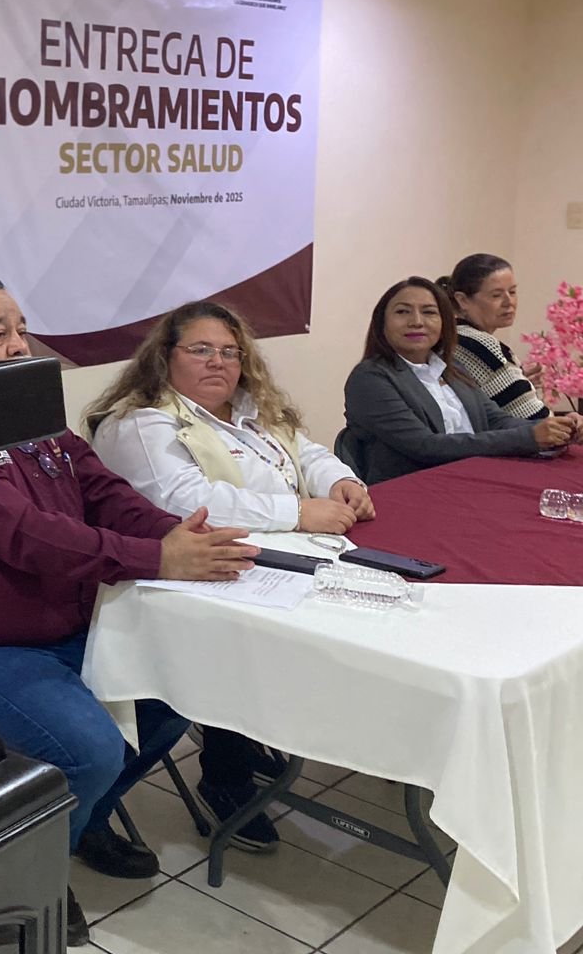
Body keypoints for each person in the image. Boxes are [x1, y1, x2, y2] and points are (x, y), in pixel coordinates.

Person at [0, 273, 257, 946]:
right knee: (90, 751)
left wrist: (179, 534)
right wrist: (157, 558)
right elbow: (30, 538)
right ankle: (33, 881)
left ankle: (83, 824)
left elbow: (106, 494)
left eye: (22, 330)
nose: (19, 345)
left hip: (78, 625)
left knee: (177, 692)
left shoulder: (34, 418)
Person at [87, 300, 373, 848]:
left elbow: (306, 452)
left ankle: (248, 733)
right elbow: (186, 501)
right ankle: (225, 774)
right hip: (169, 585)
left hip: (260, 562)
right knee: (248, 641)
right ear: (165, 357)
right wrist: (296, 511)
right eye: (200, 350)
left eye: (229, 352)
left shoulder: (249, 409)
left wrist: (341, 482)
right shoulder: (140, 423)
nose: (218, 362)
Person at [342, 276, 571, 484]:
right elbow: (426, 446)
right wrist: (529, 437)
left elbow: (496, 420)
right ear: (381, 323)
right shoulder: (370, 378)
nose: (417, 321)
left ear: (444, 322)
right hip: (411, 491)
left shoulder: (453, 370)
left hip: (473, 481)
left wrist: (559, 428)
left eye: (429, 312)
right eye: (403, 312)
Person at [440, 253, 574, 421]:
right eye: (496, 295)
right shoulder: (478, 344)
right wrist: (572, 421)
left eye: (512, 292)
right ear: (463, 300)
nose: (508, 301)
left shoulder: (455, 335)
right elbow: (537, 421)